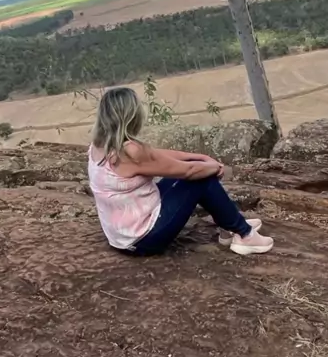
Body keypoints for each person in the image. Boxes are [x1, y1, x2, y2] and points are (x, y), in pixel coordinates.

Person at [88, 87, 274, 257]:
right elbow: (189, 172)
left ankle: (229, 225)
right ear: (131, 116)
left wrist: (201, 157)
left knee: (197, 168)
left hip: (123, 234)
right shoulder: (130, 151)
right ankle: (245, 235)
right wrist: (216, 167)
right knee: (202, 178)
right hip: (143, 240)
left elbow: (158, 155)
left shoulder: (99, 146)